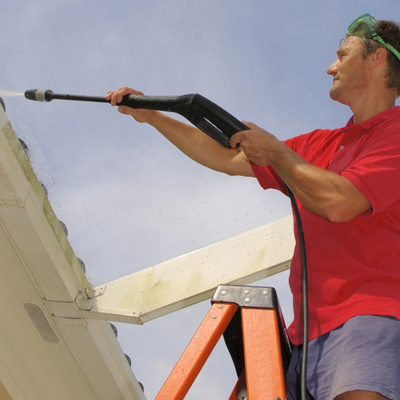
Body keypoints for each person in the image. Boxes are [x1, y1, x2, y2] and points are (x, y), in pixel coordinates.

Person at [107, 14, 400, 400]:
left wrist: (277, 152)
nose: (331, 67)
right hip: (306, 339)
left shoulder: (393, 135)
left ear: (377, 58)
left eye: (342, 55)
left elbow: (340, 202)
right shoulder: (319, 146)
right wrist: (154, 117)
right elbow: (224, 158)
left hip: (371, 319)